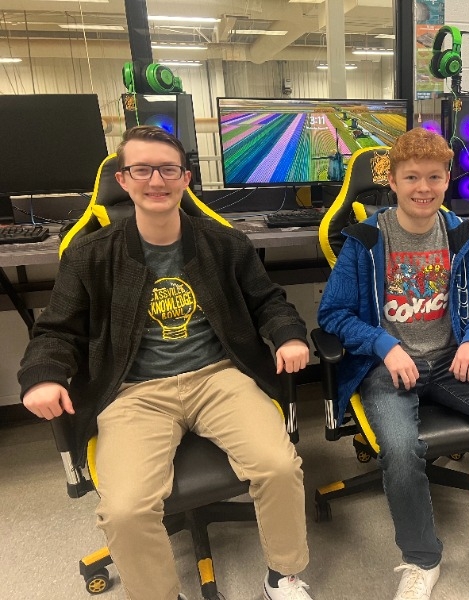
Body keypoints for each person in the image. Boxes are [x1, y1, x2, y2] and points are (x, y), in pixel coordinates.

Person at [18, 125, 315, 600]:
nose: (156, 180)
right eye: (142, 169)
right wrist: (43, 376)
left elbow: (269, 301)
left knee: (279, 465)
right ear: (124, 179)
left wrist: (287, 335)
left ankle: (283, 574)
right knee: (126, 510)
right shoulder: (91, 254)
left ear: (185, 178)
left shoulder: (224, 243)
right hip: (134, 392)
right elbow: (57, 329)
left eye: (168, 170)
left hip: (218, 377)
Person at [317, 127, 469, 600]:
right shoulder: (366, 239)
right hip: (390, 368)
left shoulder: (462, 236)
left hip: (453, 360)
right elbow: (333, 314)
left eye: (433, 177)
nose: (423, 188)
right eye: (411, 178)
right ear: (394, 182)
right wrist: (384, 345)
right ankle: (421, 558)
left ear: (448, 178)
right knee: (403, 448)